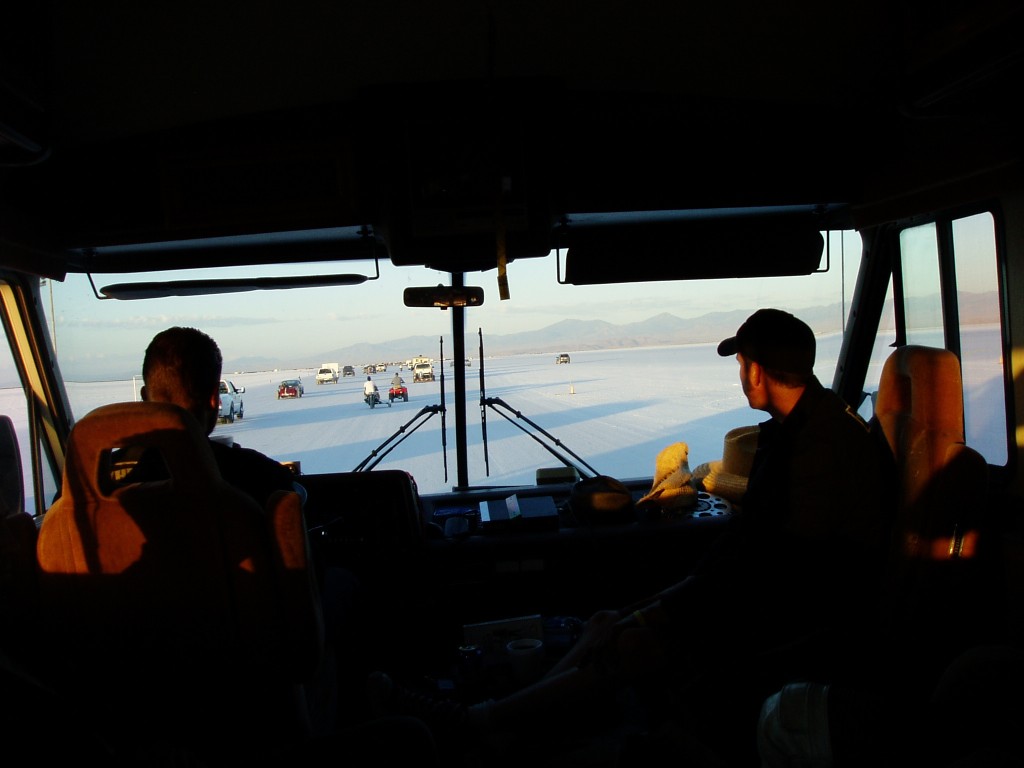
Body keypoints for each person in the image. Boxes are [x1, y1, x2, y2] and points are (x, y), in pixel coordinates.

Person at [368, 308, 898, 765]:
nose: (741, 376)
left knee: (629, 639)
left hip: (794, 622)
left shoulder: (817, 446)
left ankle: (477, 721)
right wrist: (650, 604)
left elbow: (771, 571)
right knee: (606, 621)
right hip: (772, 601)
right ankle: (492, 721)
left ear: (756, 371)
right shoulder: (809, 428)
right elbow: (747, 555)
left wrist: (654, 613)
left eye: (740, 365)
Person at [134, 326, 297, 509]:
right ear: (214, 399)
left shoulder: (104, 479)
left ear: (144, 397)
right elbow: (296, 497)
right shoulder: (255, 473)